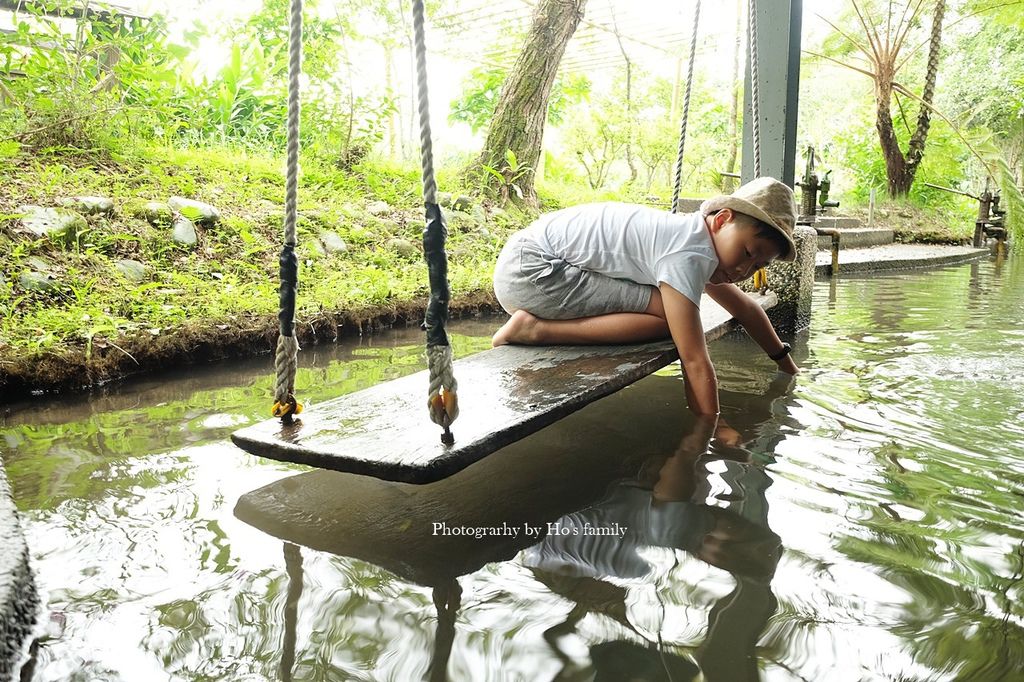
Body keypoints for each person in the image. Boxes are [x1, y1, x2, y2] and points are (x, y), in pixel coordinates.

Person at [491, 176, 801, 416]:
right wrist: (711, 428)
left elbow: (745, 308)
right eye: (747, 252)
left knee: (674, 314)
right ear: (722, 220)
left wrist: (787, 366)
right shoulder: (689, 253)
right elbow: (693, 358)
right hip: (532, 272)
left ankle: (535, 326)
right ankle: (535, 330)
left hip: (528, 260)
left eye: (758, 265)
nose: (744, 270)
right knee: (673, 320)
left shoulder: (698, 240)